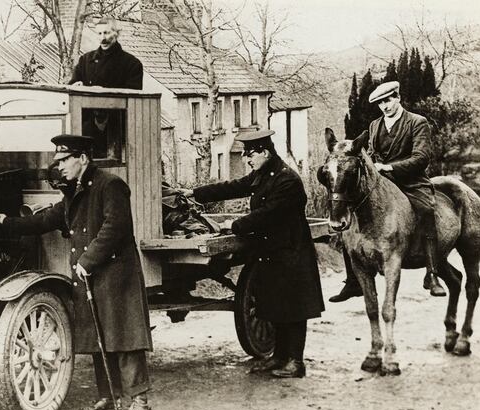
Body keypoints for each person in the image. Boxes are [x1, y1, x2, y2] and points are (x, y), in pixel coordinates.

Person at [0, 134, 153, 410]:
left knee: (125, 338)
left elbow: (115, 227)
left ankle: (139, 402)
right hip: (91, 276)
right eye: (58, 161)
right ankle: (110, 397)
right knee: (98, 337)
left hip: (117, 276)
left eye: (65, 160)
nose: (61, 166)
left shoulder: (110, 185)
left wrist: (87, 260)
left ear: (83, 158)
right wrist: (9, 223)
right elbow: (47, 220)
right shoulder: (73, 192)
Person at [178, 130, 324, 378]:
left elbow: (268, 214)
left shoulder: (287, 180)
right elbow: (234, 187)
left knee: (294, 307)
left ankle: (295, 362)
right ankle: (278, 356)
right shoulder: (264, 174)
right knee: (274, 303)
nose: (247, 160)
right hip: (271, 252)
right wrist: (196, 193)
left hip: (290, 252)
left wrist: (232, 225)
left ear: (264, 153)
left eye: (250, 155)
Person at [328, 80, 446, 303]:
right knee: (349, 214)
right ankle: (353, 281)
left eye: (389, 100)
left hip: (411, 182)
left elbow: (422, 158)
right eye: (381, 102)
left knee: (426, 209)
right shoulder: (375, 126)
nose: (385, 105)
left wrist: (390, 167)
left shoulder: (417, 122)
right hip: (381, 182)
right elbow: (371, 154)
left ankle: (432, 273)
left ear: (398, 98)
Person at [69, 17, 143, 90]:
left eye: (106, 33)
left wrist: (103, 91)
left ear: (117, 34)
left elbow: (132, 98)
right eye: (99, 33)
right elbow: (72, 86)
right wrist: (76, 86)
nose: (102, 38)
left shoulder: (132, 64)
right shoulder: (85, 60)